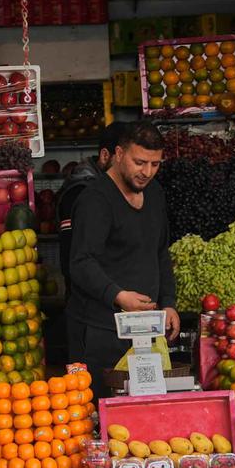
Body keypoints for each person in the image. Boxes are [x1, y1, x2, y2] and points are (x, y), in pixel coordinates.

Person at [67, 121, 178, 398]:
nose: (147, 172)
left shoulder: (155, 194)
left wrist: (168, 302)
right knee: (101, 413)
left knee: (143, 413)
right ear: (118, 154)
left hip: (146, 331)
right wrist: (118, 295)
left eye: (155, 164)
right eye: (140, 162)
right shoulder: (95, 200)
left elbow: (160, 251)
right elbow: (80, 263)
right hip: (100, 331)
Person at [58, 122, 125, 294]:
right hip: (89, 301)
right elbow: (72, 259)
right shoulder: (79, 193)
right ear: (105, 156)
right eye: (124, 162)